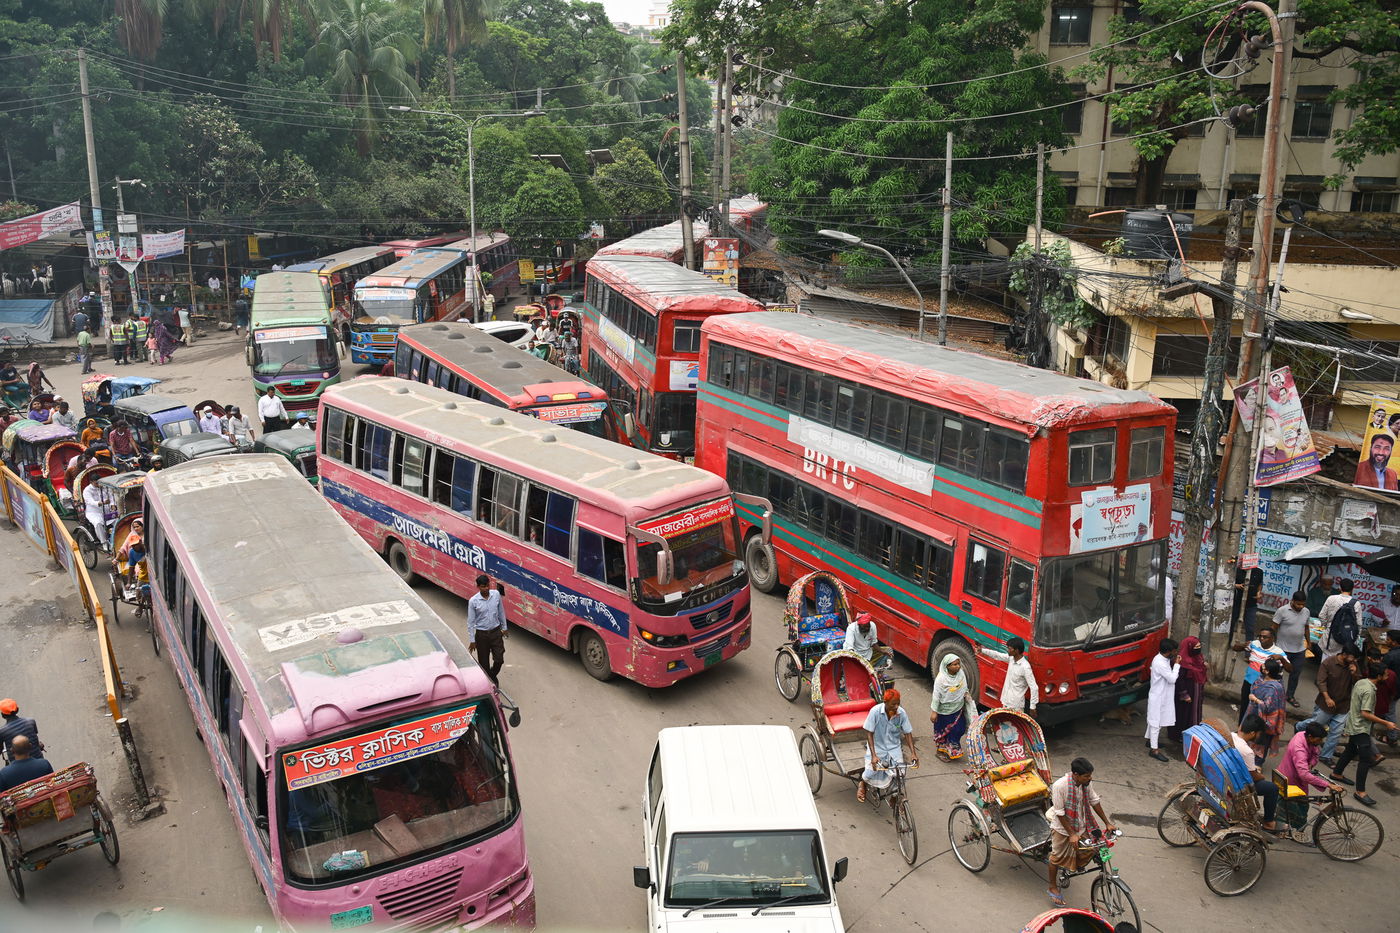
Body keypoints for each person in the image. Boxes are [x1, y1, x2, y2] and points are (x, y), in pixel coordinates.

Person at [1046, 758, 1116, 907]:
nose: (1090, 778)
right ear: (1076, 774)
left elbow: (1094, 801)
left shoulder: (1086, 783)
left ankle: (1073, 865)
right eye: (1086, 776)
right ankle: (1052, 886)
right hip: (1062, 827)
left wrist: (1107, 823)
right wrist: (1071, 834)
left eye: (1090, 775)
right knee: (1056, 858)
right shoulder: (1060, 786)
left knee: (1091, 848)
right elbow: (1059, 812)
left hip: (1081, 824)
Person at [1329, 661, 1396, 807]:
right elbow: (1365, 713)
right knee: (1366, 759)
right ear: (1378, 676)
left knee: (1351, 750)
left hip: (1353, 723)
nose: (1387, 677)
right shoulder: (1370, 691)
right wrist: (1387, 723)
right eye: (1385, 675)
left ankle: (1336, 773)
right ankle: (1360, 791)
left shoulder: (1361, 682)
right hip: (1360, 727)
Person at [1295, 643, 1361, 765]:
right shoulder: (1328, 663)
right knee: (1316, 723)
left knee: (1335, 732)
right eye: (1353, 658)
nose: (1354, 661)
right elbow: (1321, 682)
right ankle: (1299, 727)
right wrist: (1327, 698)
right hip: (1326, 704)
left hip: (1343, 705)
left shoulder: (1353, 665)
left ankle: (1325, 756)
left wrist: (1354, 674)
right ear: (1344, 654)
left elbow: (1357, 684)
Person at [859, 688, 917, 804]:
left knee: (901, 774)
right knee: (870, 773)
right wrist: (874, 755)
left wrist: (913, 753)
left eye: (898, 703)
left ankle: (894, 796)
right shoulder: (875, 712)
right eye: (893, 704)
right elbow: (869, 733)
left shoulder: (901, 713)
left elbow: (907, 733)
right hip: (878, 748)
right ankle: (863, 784)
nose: (896, 707)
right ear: (885, 702)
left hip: (894, 748)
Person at [1232, 715, 1282, 832]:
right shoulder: (1246, 751)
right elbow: (1254, 776)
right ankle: (1269, 822)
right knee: (1272, 788)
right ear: (1253, 733)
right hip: (1239, 783)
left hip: (1230, 774)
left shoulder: (1230, 736)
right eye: (1259, 733)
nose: (1259, 736)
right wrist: (1261, 775)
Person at [1232, 624, 1288, 724]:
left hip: (1264, 688)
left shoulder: (1279, 652)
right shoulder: (1254, 644)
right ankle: (1242, 728)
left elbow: (1290, 669)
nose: (1262, 639)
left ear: (1272, 638)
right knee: (1245, 706)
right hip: (1248, 682)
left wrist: (1282, 659)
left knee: (1259, 710)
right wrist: (1243, 645)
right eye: (1260, 636)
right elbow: (1235, 648)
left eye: (1265, 637)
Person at [1279, 721, 1347, 799]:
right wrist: (1328, 785)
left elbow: (1315, 754)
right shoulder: (1299, 750)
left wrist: (1310, 764)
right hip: (1290, 781)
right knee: (1298, 806)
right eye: (1319, 740)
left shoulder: (1305, 735)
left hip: (1299, 777)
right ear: (1310, 736)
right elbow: (1304, 774)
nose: (1320, 742)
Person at [930, 654, 976, 761]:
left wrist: (967, 698)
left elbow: (964, 687)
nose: (958, 666)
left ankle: (952, 747)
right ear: (947, 666)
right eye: (954, 665)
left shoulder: (961, 674)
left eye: (958, 664)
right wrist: (934, 712)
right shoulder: (941, 679)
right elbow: (936, 696)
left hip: (958, 708)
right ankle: (941, 751)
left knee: (959, 729)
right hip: (944, 711)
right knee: (943, 733)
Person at [1244, 656, 1287, 765]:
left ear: (1267, 671)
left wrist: (1255, 699)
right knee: (1250, 739)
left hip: (1266, 721)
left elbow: (1269, 706)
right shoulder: (1260, 679)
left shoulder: (1274, 688)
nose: (1261, 666)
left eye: (1264, 666)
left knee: (1262, 742)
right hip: (1254, 714)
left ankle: (1257, 765)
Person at [466, 573, 508, 683]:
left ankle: (492, 676)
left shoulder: (496, 595)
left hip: (496, 632)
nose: (486, 588)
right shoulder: (473, 601)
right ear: (478, 587)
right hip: (482, 635)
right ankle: (491, 681)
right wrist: (472, 640)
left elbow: (501, 612)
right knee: (484, 664)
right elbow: (470, 622)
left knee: (499, 659)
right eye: (483, 586)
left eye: (487, 585)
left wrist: (504, 627)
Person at [1272, 590, 1311, 707]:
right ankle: (1274, 695)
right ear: (1292, 601)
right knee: (1277, 673)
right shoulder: (1282, 611)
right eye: (1298, 604)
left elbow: (1306, 628)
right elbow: (1274, 628)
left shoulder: (1306, 612)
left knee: (1295, 674)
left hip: (1299, 649)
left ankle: (1290, 696)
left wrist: (1309, 642)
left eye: (1303, 604)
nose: (1301, 606)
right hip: (1282, 649)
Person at [1168, 635, 1208, 744]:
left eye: (1199, 646)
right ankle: (1177, 735)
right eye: (1196, 647)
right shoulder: (1182, 661)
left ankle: (1191, 733)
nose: (1198, 649)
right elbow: (1179, 679)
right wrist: (1184, 694)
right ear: (1189, 647)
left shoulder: (1198, 658)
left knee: (1194, 713)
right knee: (1182, 715)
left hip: (1196, 692)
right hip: (1186, 695)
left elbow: (1201, 672)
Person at [1145, 638, 1180, 761]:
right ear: (1169, 651)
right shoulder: (1160, 663)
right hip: (1158, 697)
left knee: (1156, 721)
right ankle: (1154, 750)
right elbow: (1172, 679)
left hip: (1162, 695)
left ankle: (1151, 741)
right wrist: (1177, 665)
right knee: (1155, 723)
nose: (1176, 653)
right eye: (1175, 651)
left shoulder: (1161, 659)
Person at [1319, 578, 1361, 662]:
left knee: (1326, 662)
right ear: (1352, 589)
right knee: (1341, 664)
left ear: (1340, 588)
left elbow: (1322, 615)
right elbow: (1359, 624)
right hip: (1346, 638)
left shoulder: (1331, 598)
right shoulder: (1356, 603)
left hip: (1330, 637)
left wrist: (1327, 626)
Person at [1001, 636, 1038, 717]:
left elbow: (1034, 687)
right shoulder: (1011, 659)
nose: (1008, 650)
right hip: (1005, 701)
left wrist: (1032, 707)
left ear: (1016, 650)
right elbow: (997, 655)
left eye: (1010, 648)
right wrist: (982, 650)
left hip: (1016, 706)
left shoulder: (1025, 667)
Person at [1230, 557, 1264, 641]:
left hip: (1251, 604)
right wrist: (1237, 585)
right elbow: (1229, 582)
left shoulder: (1259, 572)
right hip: (1237, 602)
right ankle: (1227, 644)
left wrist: (1259, 593)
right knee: (1230, 625)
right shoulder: (1237, 570)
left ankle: (1248, 650)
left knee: (1250, 628)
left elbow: (1260, 584)